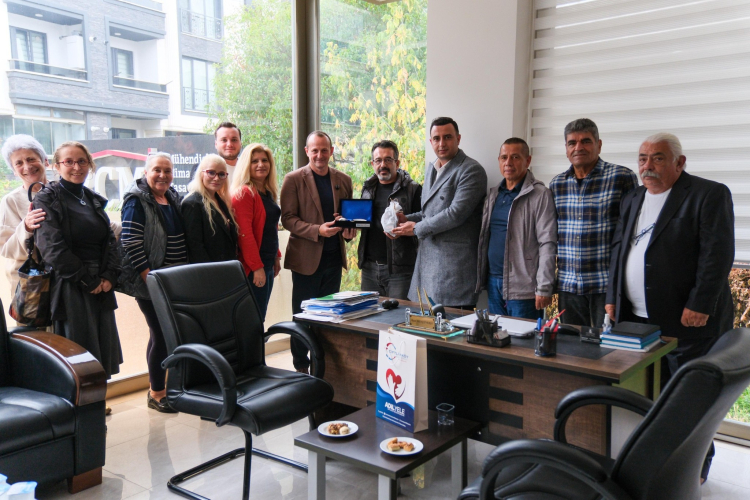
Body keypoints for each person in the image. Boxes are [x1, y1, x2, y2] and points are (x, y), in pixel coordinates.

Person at [605, 132, 734, 482]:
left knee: (690, 398)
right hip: (636, 319)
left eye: (658, 158)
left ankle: (694, 468)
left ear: (680, 162)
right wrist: (613, 296)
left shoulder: (708, 194)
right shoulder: (633, 198)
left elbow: (717, 254)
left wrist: (700, 303)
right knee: (647, 392)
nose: (648, 166)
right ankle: (651, 461)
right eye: (643, 158)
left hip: (686, 319)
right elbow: (619, 249)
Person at [33, 141, 122, 381]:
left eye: (82, 161)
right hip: (71, 285)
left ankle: (98, 401)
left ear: (90, 164)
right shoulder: (47, 198)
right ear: (56, 166)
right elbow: (52, 248)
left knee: (100, 358)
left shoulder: (91, 198)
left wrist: (109, 276)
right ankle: (80, 403)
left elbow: (109, 240)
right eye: (69, 162)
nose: (76, 167)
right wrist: (87, 280)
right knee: (78, 359)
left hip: (101, 285)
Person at [549, 118, 638, 327]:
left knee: (609, 345)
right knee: (572, 344)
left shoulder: (621, 177)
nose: (578, 147)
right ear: (566, 149)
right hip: (568, 286)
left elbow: (632, 233)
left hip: (606, 286)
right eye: (572, 143)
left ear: (599, 144)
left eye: (586, 141)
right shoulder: (557, 184)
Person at [392, 117, 487, 309]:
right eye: (436, 138)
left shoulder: (471, 170)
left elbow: (455, 213)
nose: (442, 143)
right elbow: (428, 213)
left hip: (454, 271)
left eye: (447, 137)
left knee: (451, 326)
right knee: (421, 325)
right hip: (427, 269)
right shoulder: (432, 168)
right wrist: (404, 220)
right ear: (431, 141)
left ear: (458, 139)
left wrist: (416, 228)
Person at [280, 130, 355, 372]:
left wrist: (349, 231)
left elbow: (349, 219)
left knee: (328, 318)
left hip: (333, 260)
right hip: (305, 261)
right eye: (315, 150)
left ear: (331, 151)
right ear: (307, 152)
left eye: (324, 150)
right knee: (303, 316)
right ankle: (301, 367)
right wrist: (317, 230)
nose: (320, 155)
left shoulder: (344, 180)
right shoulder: (293, 179)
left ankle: (323, 367)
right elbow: (288, 219)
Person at [119, 152, 187, 413]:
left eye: (167, 171)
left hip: (175, 280)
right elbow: (131, 242)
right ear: (146, 172)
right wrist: (150, 278)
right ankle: (157, 393)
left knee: (166, 335)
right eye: (157, 170)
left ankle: (166, 386)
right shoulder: (136, 201)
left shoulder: (172, 197)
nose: (162, 175)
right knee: (161, 334)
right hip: (151, 282)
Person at [475, 138, 557, 319]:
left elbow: (547, 242)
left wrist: (544, 287)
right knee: (497, 335)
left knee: (524, 337)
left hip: (524, 286)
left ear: (528, 160)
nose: (508, 163)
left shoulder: (540, 195)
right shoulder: (493, 195)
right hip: (493, 282)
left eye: (515, 157)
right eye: (504, 157)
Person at [358, 140, 422, 300]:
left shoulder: (413, 189)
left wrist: (407, 228)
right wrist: (348, 226)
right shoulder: (367, 188)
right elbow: (363, 223)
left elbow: (423, 223)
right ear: (372, 164)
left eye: (388, 160)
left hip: (400, 271)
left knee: (398, 314)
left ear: (397, 163)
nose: (383, 165)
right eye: (378, 160)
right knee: (369, 314)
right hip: (369, 268)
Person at [231, 143, 282, 322]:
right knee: (252, 320)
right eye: (255, 161)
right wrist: (256, 267)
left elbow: (271, 228)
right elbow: (244, 234)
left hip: (267, 263)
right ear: (246, 165)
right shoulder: (244, 193)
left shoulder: (267, 192)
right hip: (253, 267)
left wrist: (276, 256)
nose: (261, 164)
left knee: (260, 317)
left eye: (264, 160)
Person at [0, 135, 48, 294]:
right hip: (31, 285)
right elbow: (6, 248)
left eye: (31, 159)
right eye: (19, 163)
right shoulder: (10, 201)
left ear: (45, 161)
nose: (27, 167)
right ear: (14, 171)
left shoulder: (62, 192)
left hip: (64, 280)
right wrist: (26, 227)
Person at [182, 154, 238, 263]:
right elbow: (195, 247)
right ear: (201, 174)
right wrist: (210, 271)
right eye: (211, 172)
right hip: (208, 270)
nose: (216, 178)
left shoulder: (221, 201)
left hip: (226, 267)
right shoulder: (192, 204)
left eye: (221, 174)